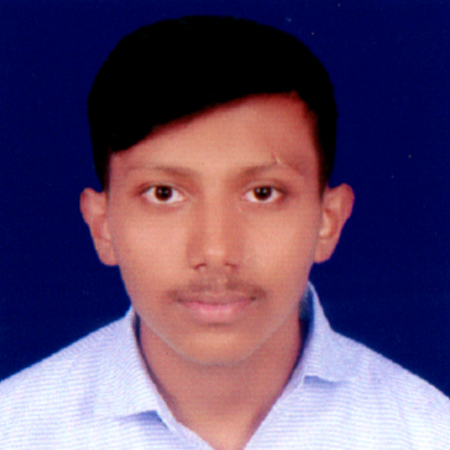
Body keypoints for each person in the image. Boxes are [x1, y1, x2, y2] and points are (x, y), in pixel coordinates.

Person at [1, 15, 449, 450]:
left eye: (262, 193)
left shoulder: (428, 432)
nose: (215, 251)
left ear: (328, 220)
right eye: (163, 194)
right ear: (102, 225)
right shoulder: (15, 429)